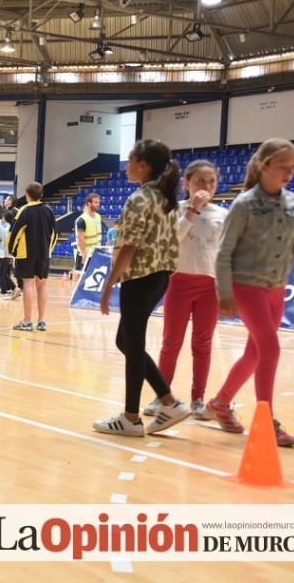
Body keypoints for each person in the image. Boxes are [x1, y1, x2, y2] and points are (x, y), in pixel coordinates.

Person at [205, 138, 294, 448]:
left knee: (255, 352)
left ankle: (220, 403)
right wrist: (224, 293)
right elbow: (223, 252)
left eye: (292, 167)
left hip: (276, 288)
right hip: (246, 286)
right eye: (283, 167)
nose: (289, 173)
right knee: (270, 349)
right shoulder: (243, 205)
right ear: (263, 166)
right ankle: (265, 419)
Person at [94, 140, 188, 437]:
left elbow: (128, 247)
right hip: (160, 277)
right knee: (127, 342)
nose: (126, 166)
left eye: (130, 160)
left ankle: (132, 417)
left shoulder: (140, 199)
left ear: (143, 165)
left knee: (132, 345)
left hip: (140, 278)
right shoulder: (165, 198)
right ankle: (168, 401)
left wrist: (109, 285)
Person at [145, 160, 228, 420]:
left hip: (210, 286)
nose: (206, 186)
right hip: (178, 281)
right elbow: (172, 239)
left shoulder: (223, 215)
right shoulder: (174, 210)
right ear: (187, 183)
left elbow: (226, 254)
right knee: (171, 343)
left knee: (202, 344)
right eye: (200, 181)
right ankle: (162, 396)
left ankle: (198, 399)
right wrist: (193, 209)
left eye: (211, 181)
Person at [8, 182, 58, 332]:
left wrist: (12, 250)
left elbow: (14, 233)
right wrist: (49, 251)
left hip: (26, 254)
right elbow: (55, 234)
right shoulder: (49, 211)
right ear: (41, 194)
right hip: (44, 254)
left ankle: (27, 321)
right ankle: (41, 321)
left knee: (28, 285)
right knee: (42, 285)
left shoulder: (24, 210)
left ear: (28, 194)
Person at [73, 193, 102, 279]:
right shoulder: (82, 220)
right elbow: (80, 238)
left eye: (98, 202)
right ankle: (73, 291)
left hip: (96, 252)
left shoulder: (98, 216)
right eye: (96, 202)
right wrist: (83, 254)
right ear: (89, 204)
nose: (98, 204)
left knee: (92, 278)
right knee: (80, 276)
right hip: (86, 253)